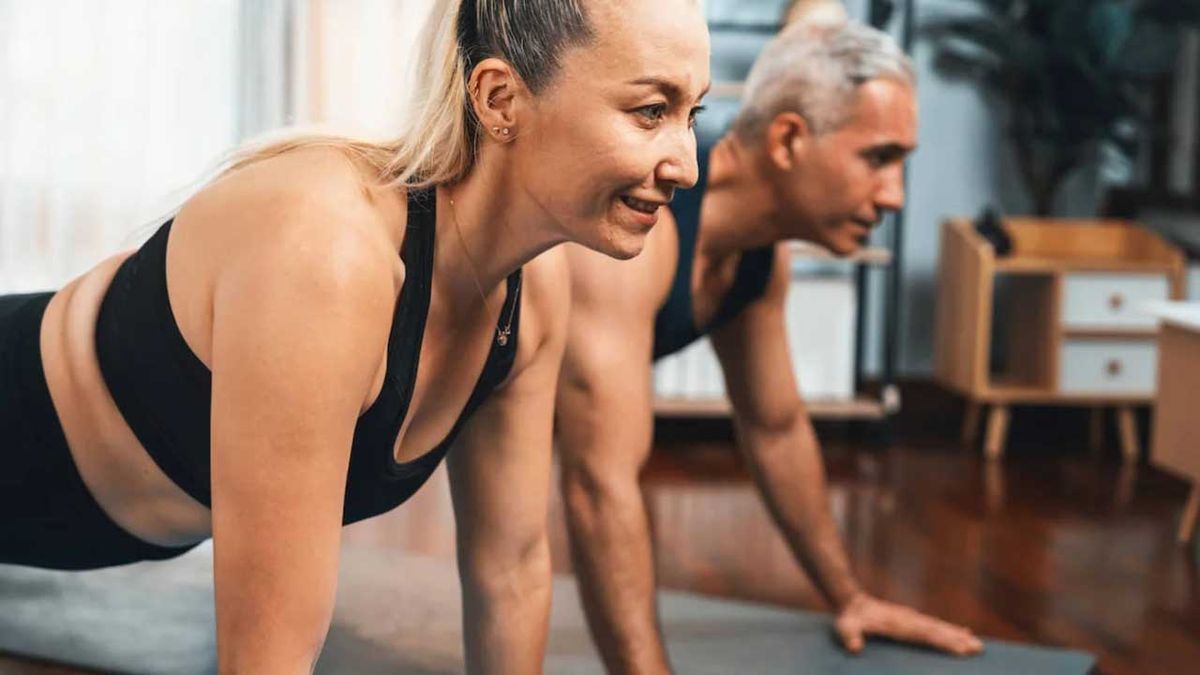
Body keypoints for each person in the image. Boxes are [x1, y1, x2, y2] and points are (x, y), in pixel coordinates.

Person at [0, 0, 710, 671]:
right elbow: (266, 660)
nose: (688, 164)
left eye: (692, 114)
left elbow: (511, 570)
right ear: (499, 100)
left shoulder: (535, 293)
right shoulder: (325, 253)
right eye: (651, 112)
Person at [555, 19, 984, 674]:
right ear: (787, 139)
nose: (895, 195)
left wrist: (849, 596)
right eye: (879, 158)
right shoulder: (639, 227)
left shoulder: (757, 262)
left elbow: (776, 429)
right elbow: (598, 485)